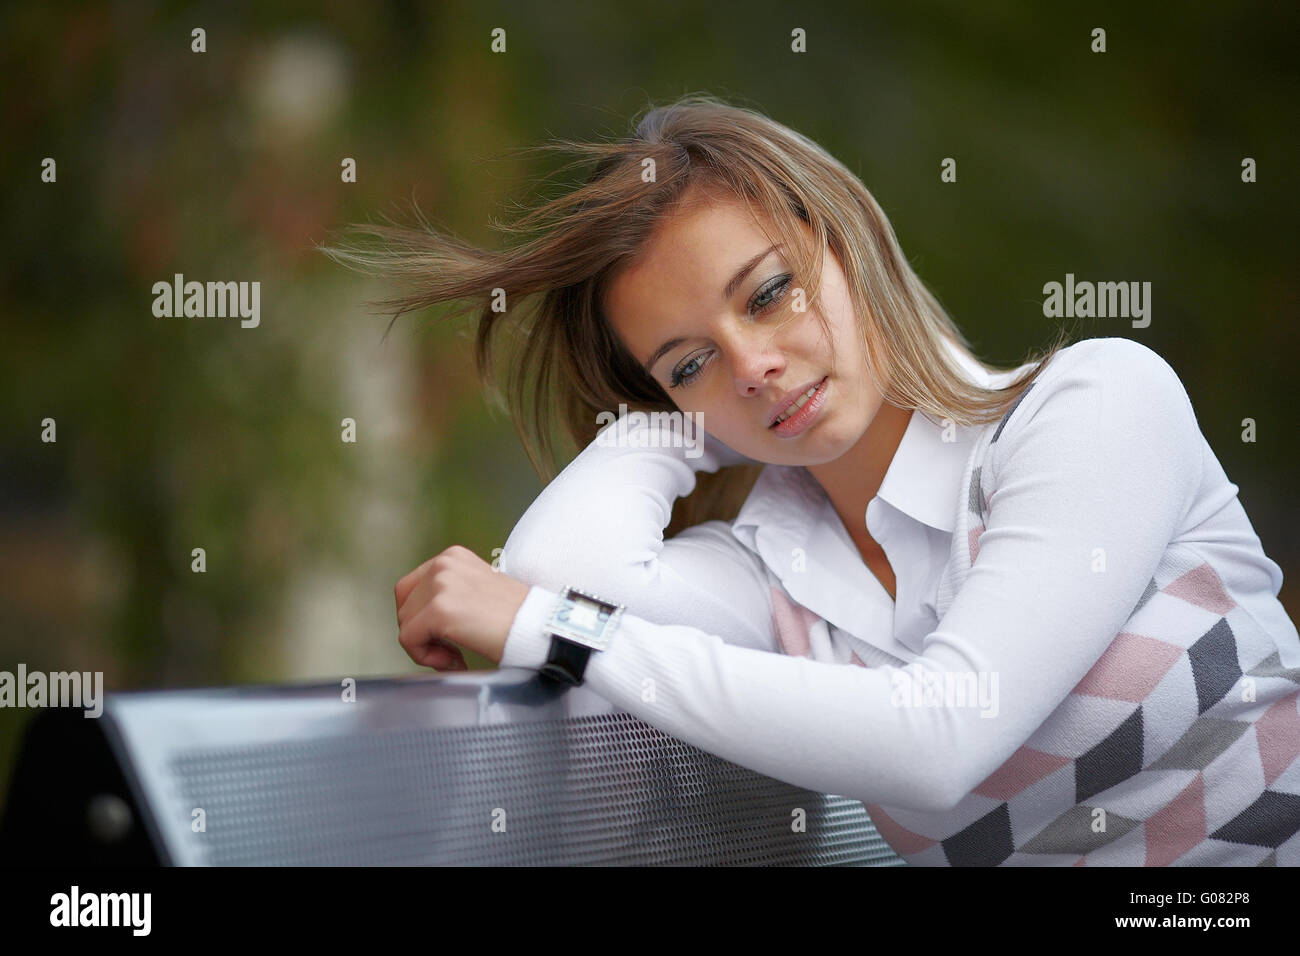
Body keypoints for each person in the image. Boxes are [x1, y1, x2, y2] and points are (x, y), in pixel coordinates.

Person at [326, 93, 1300, 866]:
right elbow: (554, 564)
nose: (751, 364)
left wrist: (554, 632)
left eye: (767, 291)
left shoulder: (1094, 404)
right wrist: (683, 426)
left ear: (849, 239)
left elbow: (939, 736)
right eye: (688, 361)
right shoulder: (772, 575)